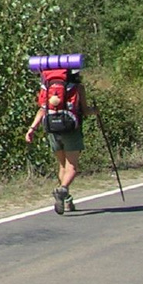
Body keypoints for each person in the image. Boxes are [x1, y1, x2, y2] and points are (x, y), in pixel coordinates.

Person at [25, 68, 93, 214]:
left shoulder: (47, 88)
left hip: (52, 130)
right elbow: (85, 111)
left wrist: (32, 129)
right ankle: (63, 190)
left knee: (62, 166)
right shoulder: (78, 88)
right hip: (71, 130)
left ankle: (66, 201)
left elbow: (43, 109)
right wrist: (96, 111)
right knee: (72, 167)